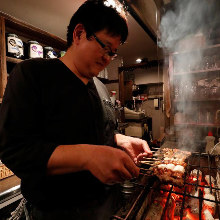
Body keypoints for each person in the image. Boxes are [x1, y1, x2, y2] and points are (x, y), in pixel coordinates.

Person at [0, 1, 152, 219]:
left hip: (106, 207)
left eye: (114, 53)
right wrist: (88, 156)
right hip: (56, 212)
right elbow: (14, 150)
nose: (108, 58)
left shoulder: (99, 86)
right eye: (105, 47)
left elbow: (92, 131)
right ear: (79, 33)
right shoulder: (33, 74)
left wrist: (119, 140)